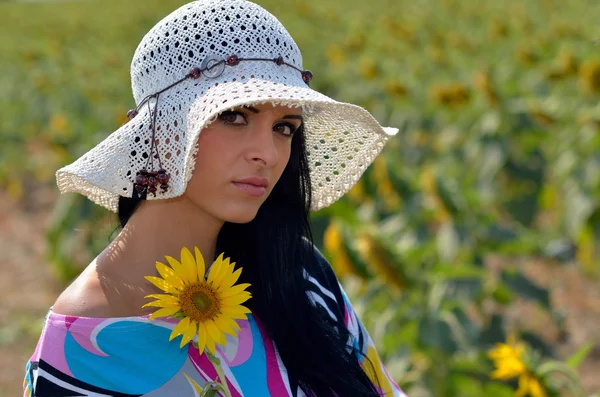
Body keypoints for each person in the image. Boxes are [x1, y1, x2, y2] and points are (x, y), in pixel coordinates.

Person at [23, 0, 406, 396]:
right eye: (234, 117)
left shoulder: (299, 274)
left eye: (284, 128)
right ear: (163, 131)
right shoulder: (80, 353)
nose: (269, 154)